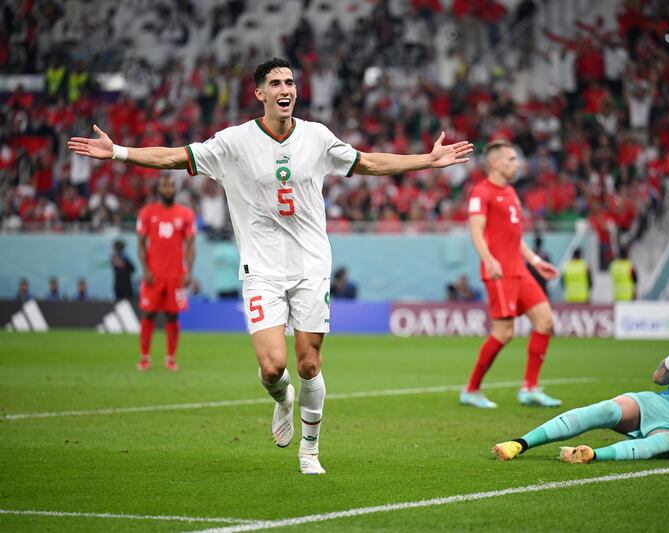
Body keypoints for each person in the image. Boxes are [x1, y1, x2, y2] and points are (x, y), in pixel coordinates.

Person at [68, 57, 473, 475]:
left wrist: (428, 160)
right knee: (273, 367)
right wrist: (117, 151)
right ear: (260, 93)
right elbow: (173, 157)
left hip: (311, 266)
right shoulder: (232, 143)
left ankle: (310, 452)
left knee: (309, 364)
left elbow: (369, 162)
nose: (286, 89)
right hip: (260, 270)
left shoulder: (317, 137)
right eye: (276, 83)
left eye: (291, 82)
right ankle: (282, 400)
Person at [492, 315, 669, 463]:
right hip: (664, 404)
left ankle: (592, 455)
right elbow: (658, 378)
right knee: (607, 408)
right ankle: (519, 444)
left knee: (668, 445)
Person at [461, 140, 561, 409]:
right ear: (495, 163)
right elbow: (476, 231)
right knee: (504, 332)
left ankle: (530, 388)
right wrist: (489, 259)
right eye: (511, 159)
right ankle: (471, 390)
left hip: (520, 270)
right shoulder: (481, 192)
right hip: (499, 273)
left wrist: (536, 261)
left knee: (545, 321)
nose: (517, 164)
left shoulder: (512, 193)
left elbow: (515, 237)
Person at [133, 174, 195, 372]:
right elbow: (141, 244)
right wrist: (145, 269)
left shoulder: (185, 214)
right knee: (148, 314)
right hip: (154, 275)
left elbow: (191, 245)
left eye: (170, 186)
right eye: (164, 186)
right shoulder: (147, 213)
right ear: (159, 189)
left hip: (176, 276)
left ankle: (170, 358)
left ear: (175, 188)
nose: (167, 189)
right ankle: (144, 357)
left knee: (172, 317)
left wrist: (188, 271)